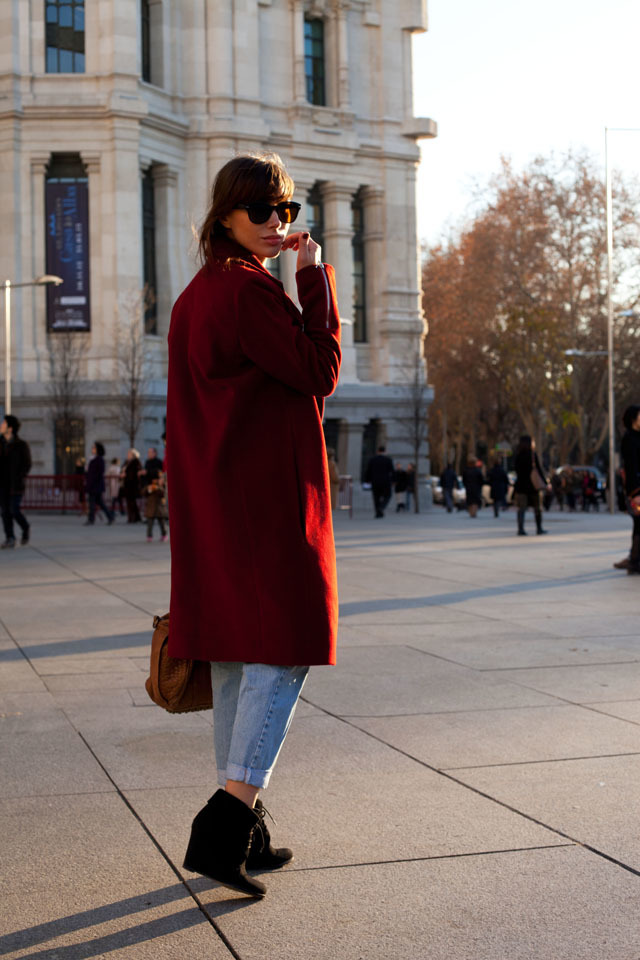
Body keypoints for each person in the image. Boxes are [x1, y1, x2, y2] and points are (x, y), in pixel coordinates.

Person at [166, 153, 341, 898]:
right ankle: (227, 821)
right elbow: (318, 370)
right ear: (228, 215)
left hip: (219, 502)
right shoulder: (245, 291)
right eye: (264, 210)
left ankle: (250, 827)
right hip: (265, 505)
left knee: (238, 660)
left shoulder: (197, 294)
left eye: (287, 211)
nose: (278, 223)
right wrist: (313, 277)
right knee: (283, 651)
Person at [0, 414, 32, 548]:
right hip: (3, 484)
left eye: (3, 423)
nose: (1, 425)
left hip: (16, 484)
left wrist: (20, 476)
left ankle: (25, 527)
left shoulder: (21, 445)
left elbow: (27, 464)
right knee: (5, 512)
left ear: (10, 428)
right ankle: (10, 538)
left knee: (14, 510)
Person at [616, 404, 640, 573]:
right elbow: (630, 468)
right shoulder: (629, 439)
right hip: (636, 489)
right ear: (633, 419)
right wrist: (635, 492)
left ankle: (633, 559)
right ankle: (634, 561)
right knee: (639, 523)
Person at [514, 435, 548, 535]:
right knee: (537, 508)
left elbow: (516, 470)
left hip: (521, 485)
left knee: (521, 509)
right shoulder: (532, 455)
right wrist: (545, 483)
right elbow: (539, 470)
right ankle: (539, 528)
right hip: (533, 486)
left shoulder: (518, 455)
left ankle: (520, 529)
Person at [84, 442, 115, 525]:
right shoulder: (93, 459)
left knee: (92, 503)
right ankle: (110, 517)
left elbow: (99, 472)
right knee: (100, 503)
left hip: (95, 485)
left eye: (94, 448)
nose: (92, 449)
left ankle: (91, 519)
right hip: (93, 484)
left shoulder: (99, 459)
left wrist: (91, 481)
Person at [364, 446, 394, 518]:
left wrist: (367, 480)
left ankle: (378, 512)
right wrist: (393, 481)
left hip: (375, 482)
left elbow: (368, 471)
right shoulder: (388, 460)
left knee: (376, 497)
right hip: (385, 482)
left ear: (378, 451)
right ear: (385, 451)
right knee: (388, 495)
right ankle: (381, 507)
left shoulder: (372, 459)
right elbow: (392, 471)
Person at [144, 471, 168, 542]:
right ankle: (149, 536)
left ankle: (164, 535)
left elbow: (164, 494)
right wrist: (149, 489)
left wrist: (159, 487)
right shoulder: (150, 485)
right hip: (151, 508)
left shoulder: (163, 486)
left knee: (162, 523)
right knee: (150, 524)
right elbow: (144, 493)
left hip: (160, 508)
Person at [122, 448, 142, 523]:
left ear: (133, 455)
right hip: (127, 484)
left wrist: (126, 474)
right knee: (129, 502)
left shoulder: (136, 462)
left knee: (132, 502)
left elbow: (135, 472)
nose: (128, 455)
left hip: (133, 484)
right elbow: (123, 469)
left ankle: (133, 517)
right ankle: (134, 517)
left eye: (129, 453)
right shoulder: (127, 462)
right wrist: (122, 473)